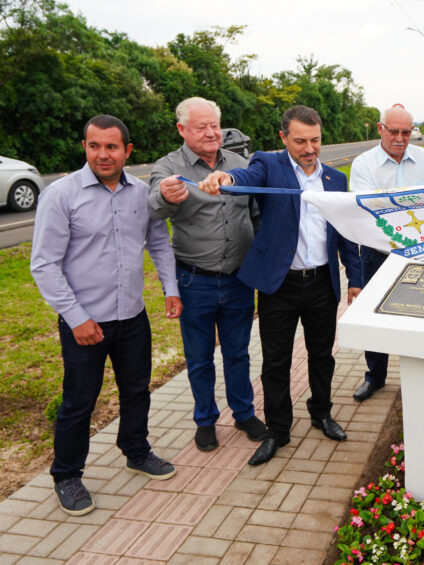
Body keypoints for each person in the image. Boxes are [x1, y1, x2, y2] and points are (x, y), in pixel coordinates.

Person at [30, 115, 181, 517]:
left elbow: (160, 244)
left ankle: (135, 450)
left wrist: (171, 289)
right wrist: (76, 318)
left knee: (137, 390)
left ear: (127, 151)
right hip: (85, 323)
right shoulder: (61, 195)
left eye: (111, 147)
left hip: (132, 316)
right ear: (85, 147)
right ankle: (67, 475)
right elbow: (44, 264)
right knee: (79, 402)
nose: (102, 154)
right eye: (94, 146)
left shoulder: (141, 194)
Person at [198, 105, 362, 466]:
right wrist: (227, 180)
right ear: (283, 137)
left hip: (322, 283)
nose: (309, 148)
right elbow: (245, 176)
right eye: (300, 140)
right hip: (279, 285)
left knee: (322, 357)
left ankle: (321, 412)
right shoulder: (269, 166)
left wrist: (355, 278)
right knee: (275, 362)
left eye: (315, 140)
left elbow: (346, 232)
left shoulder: (335, 179)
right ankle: (278, 429)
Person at [149, 97, 265, 452]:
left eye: (215, 125)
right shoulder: (169, 167)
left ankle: (243, 413)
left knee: (238, 353)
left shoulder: (239, 164)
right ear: (182, 129)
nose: (213, 132)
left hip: (238, 279)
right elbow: (153, 206)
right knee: (199, 358)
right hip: (194, 280)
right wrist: (166, 197)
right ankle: (205, 420)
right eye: (202, 127)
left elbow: (257, 213)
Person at [348, 105, 424, 402]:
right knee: (376, 315)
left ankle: (419, 377)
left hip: (418, 252)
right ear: (380, 128)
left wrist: (395, 207)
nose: (399, 138)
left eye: (406, 132)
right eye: (393, 131)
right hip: (377, 252)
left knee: (419, 315)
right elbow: (368, 211)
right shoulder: (363, 164)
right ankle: (375, 376)